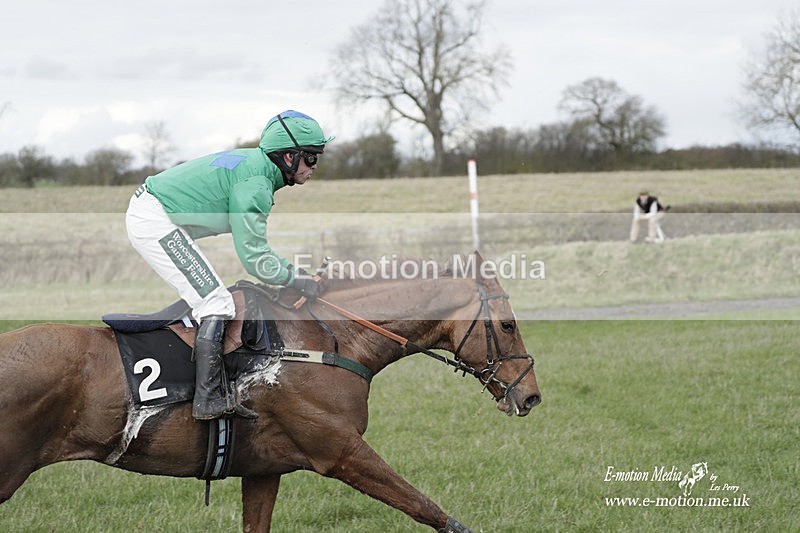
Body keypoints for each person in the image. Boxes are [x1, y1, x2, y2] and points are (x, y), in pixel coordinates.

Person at [126, 110, 332, 420]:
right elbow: (255, 258)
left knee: (216, 299)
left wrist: (295, 276)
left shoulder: (257, 167)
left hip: (155, 212)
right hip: (154, 220)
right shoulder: (256, 184)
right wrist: (297, 279)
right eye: (311, 157)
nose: (314, 166)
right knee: (217, 303)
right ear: (289, 156)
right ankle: (208, 398)